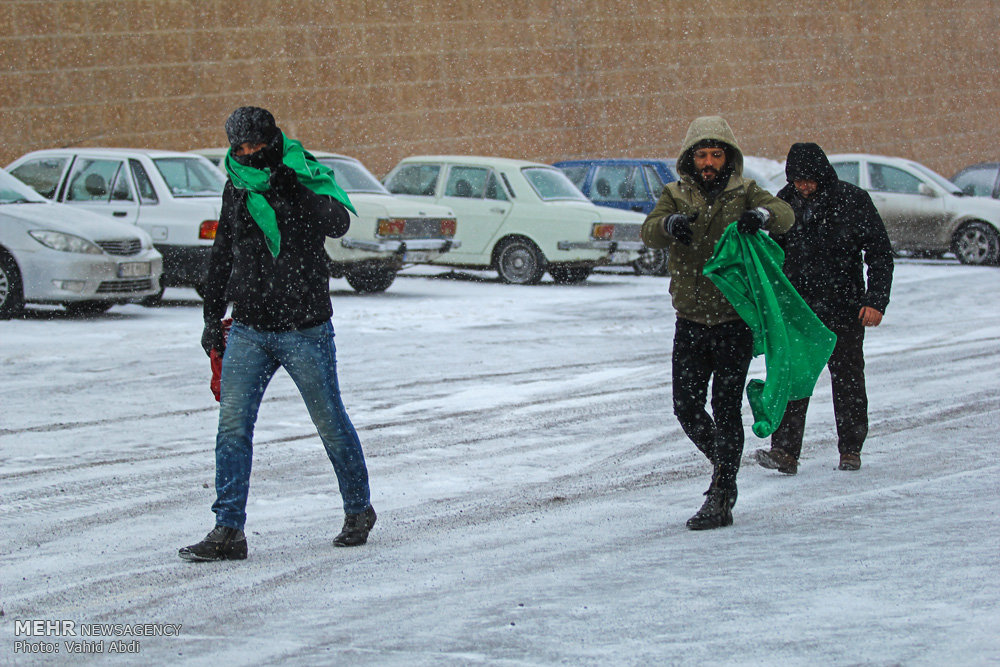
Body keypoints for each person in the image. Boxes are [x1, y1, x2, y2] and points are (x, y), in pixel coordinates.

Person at [179, 107, 375, 561]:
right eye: (239, 146)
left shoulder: (301, 171)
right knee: (232, 430)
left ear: (270, 139)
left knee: (329, 423)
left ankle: (358, 509)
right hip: (249, 327)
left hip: (304, 328)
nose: (247, 153)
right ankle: (228, 531)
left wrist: (294, 191)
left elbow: (338, 223)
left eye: (253, 145)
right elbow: (224, 251)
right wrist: (211, 317)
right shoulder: (237, 185)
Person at [642, 116, 794, 530]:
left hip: (733, 321)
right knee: (686, 406)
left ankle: (722, 493)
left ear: (728, 157)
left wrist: (759, 217)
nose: (708, 162)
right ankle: (726, 465)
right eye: (702, 154)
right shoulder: (674, 193)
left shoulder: (744, 192)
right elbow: (650, 231)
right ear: (690, 157)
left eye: (716, 154)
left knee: (726, 409)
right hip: (690, 318)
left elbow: (784, 214)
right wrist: (670, 225)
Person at [755, 142, 893, 475]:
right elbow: (769, 256)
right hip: (798, 312)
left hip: (844, 309)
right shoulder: (783, 203)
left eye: (809, 180)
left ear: (823, 174)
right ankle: (785, 452)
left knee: (847, 380)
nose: (803, 186)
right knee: (793, 378)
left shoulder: (852, 200)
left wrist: (875, 300)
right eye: (797, 180)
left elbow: (879, 253)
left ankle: (850, 448)